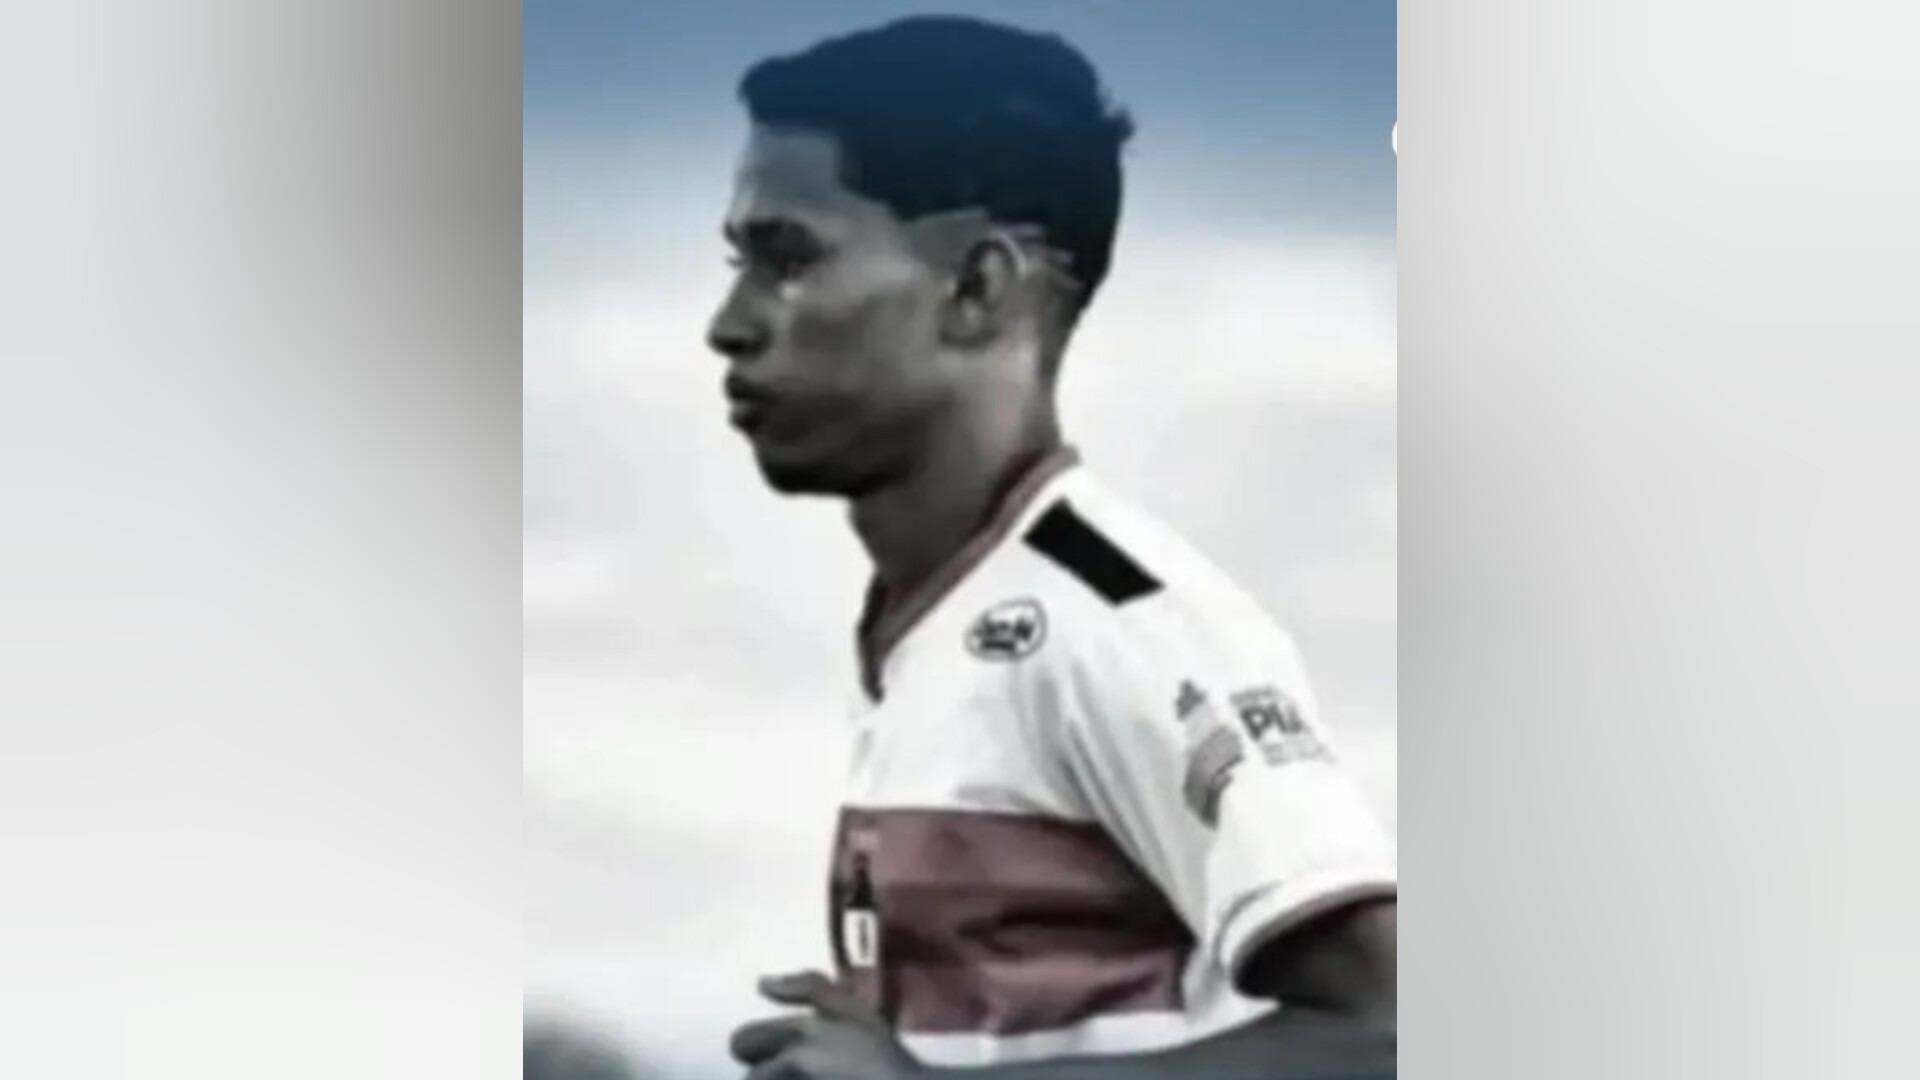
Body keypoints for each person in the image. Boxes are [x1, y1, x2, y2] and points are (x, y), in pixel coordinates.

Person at [705, 15, 1397, 1079]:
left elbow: (1394, 1024)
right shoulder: (934, 621)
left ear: (977, 289)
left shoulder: (1122, 622)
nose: (728, 322)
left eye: (786, 259)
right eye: (738, 262)